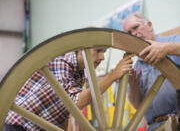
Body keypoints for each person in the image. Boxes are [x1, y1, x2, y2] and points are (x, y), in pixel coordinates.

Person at [3, 47, 133, 131]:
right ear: (81, 49)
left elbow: (63, 111)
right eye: (98, 50)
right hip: (17, 126)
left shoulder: (79, 73)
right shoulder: (60, 63)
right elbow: (76, 103)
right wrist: (113, 75)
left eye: (104, 52)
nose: (102, 57)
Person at [123, 12, 180, 131]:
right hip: (155, 127)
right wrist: (133, 86)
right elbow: (138, 106)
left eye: (136, 27)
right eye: (129, 33)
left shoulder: (173, 41)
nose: (133, 34)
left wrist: (166, 48)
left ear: (149, 25)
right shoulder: (137, 66)